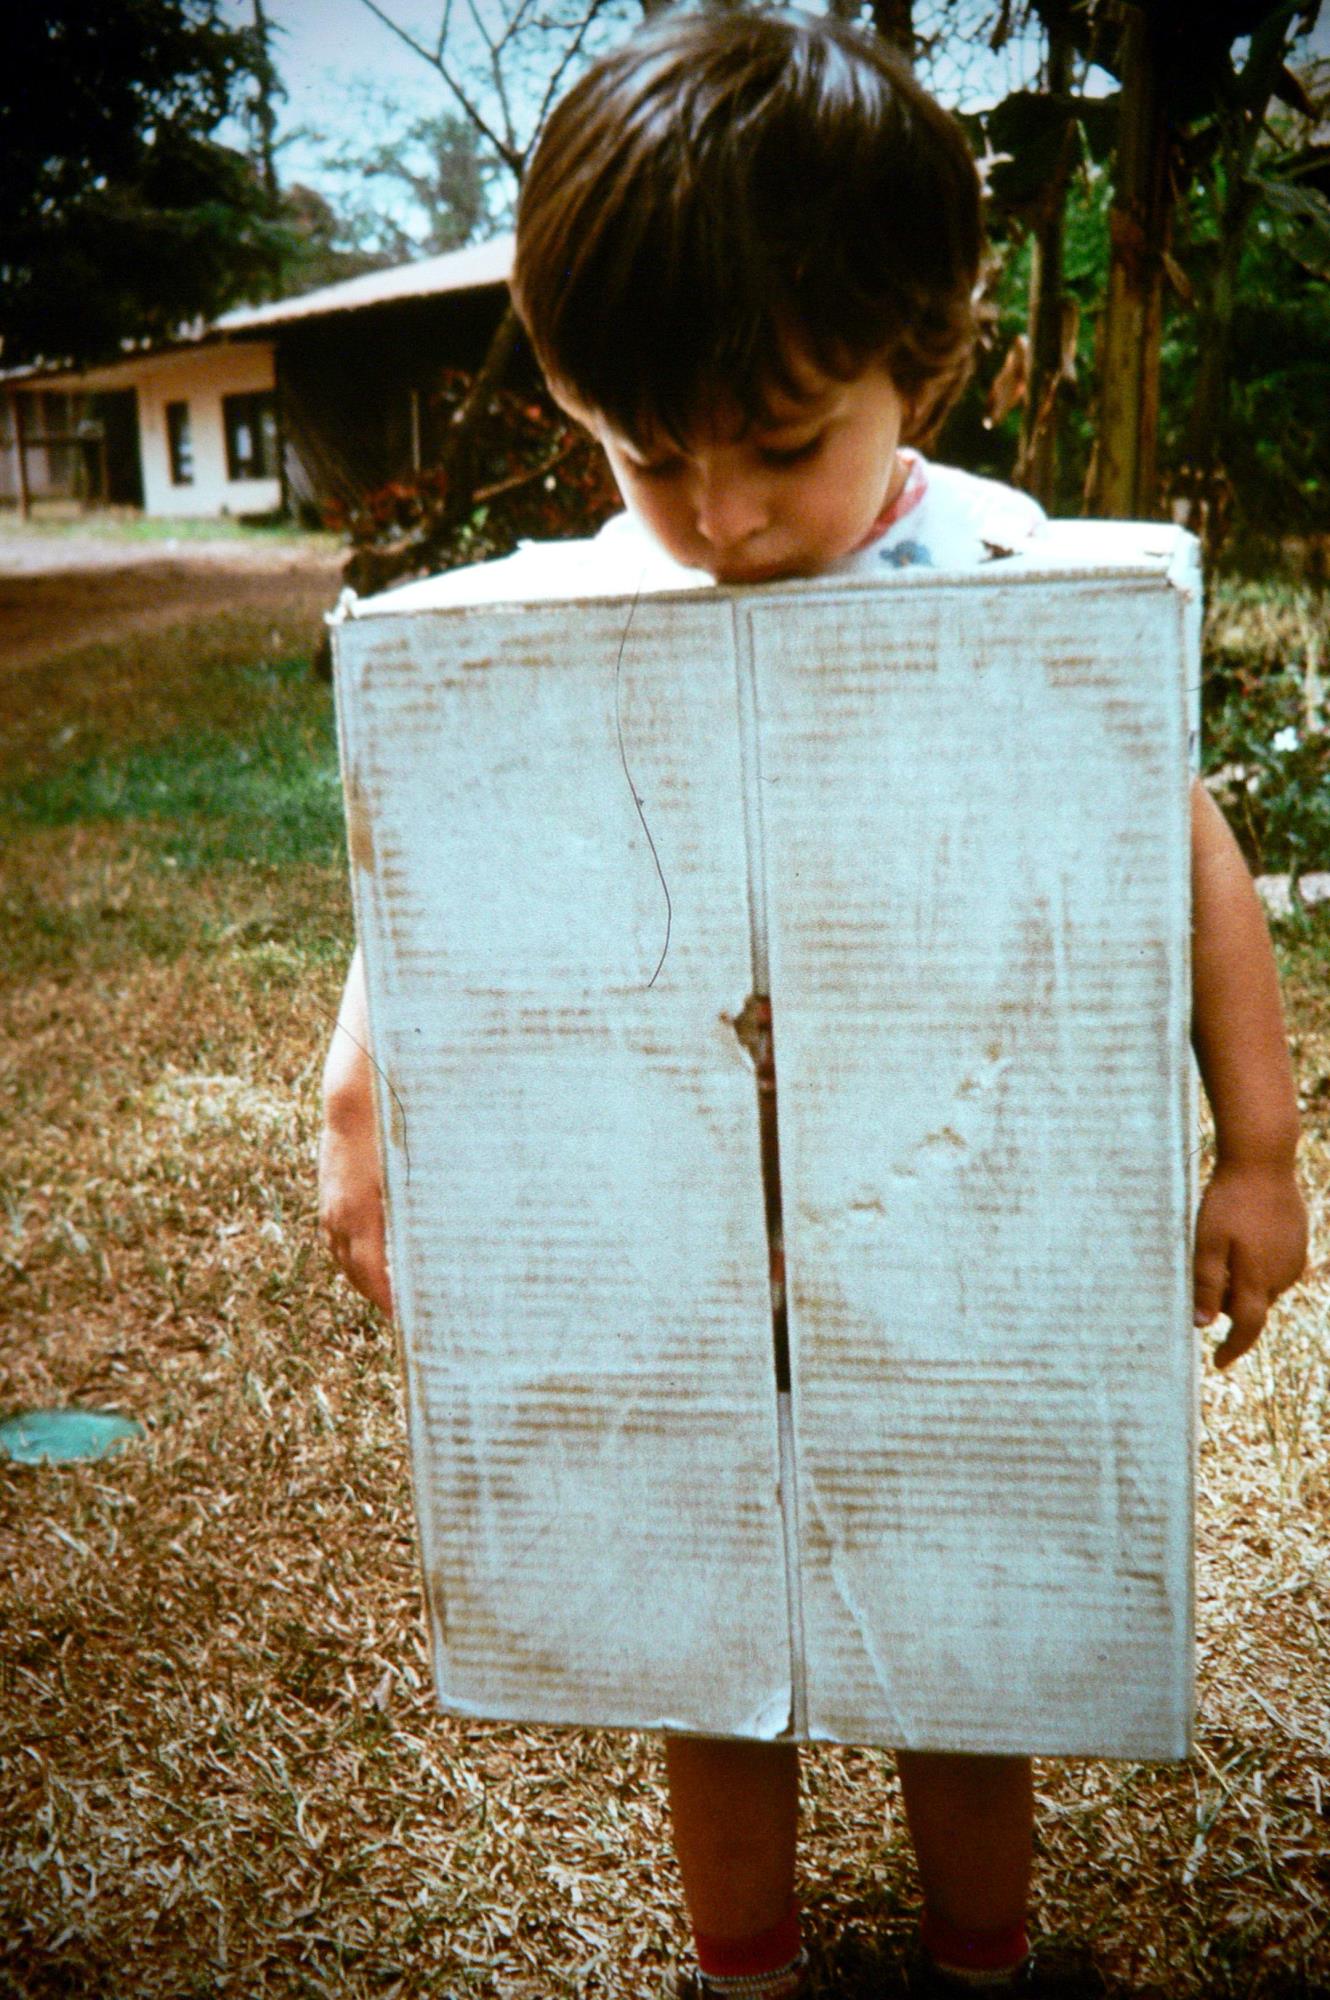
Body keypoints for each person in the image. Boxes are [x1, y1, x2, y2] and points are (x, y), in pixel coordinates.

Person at [318, 14, 1308, 1997]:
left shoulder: (1008, 585)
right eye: (645, 452)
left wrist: (1260, 1149)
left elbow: (1175, 846)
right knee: (703, 1642)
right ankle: (744, 1960)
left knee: (957, 1630)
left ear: (917, 360)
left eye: (782, 446)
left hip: (937, 1236)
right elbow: (443, 870)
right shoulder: (576, 616)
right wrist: (360, 1102)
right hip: (673, 1259)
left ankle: (977, 1947)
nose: (722, 516)